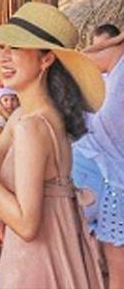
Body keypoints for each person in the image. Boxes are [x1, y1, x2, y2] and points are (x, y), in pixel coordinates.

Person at [0, 2, 105, 288]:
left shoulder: (31, 127)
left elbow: (26, 225)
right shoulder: (31, 116)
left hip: (36, 262)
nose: (2, 56)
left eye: (16, 47)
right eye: (2, 46)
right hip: (62, 249)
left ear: (46, 59)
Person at [72, 24, 124, 289]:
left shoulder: (117, 76)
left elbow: (79, 60)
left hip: (109, 185)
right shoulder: (110, 77)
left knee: (114, 270)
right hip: (102, 183)